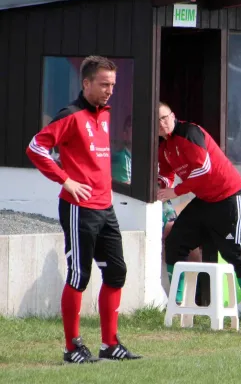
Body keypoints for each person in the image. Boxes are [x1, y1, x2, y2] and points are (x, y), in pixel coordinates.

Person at [25, 56, 141, 363]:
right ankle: (71, 347)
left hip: (105, 207)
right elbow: (36, 148)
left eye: (113, 85)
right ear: (86, 83)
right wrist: (66, 181)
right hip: (79, 208)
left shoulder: (104, 115)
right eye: (104, 84)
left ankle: (110, 344)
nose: (109, 91)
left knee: (117, 272)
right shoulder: (70, 115)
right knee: (79, 275)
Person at [156, 102, 241, 330]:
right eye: (156, 121)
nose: (162, 124)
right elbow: (167, 172)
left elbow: (204, 169)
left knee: (235, 251)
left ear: (173, 115)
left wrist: (175, 191)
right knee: (175, 241)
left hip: (229, 195)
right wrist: (161, 184)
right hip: (204, 200)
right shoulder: (163, 146)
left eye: (164, 118)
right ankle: (176, 302)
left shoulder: (189, 132)